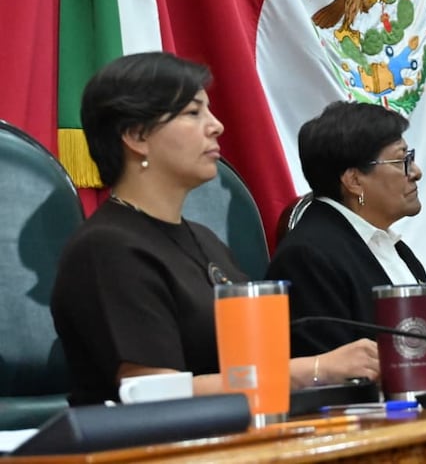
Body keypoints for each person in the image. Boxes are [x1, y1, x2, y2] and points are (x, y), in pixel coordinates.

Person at [50, 52, 379, 405]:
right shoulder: (107, 249)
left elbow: (252, 367)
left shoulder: (206, 241)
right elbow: (151, 394)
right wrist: (314, 368)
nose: (216, 125)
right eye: (193, 113)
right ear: (136, 135)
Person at [266, 101, 426, 375]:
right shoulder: (308, 257)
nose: (415, 172)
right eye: (401, 161)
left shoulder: (391, 247)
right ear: (354, 181)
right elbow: (330, 378)